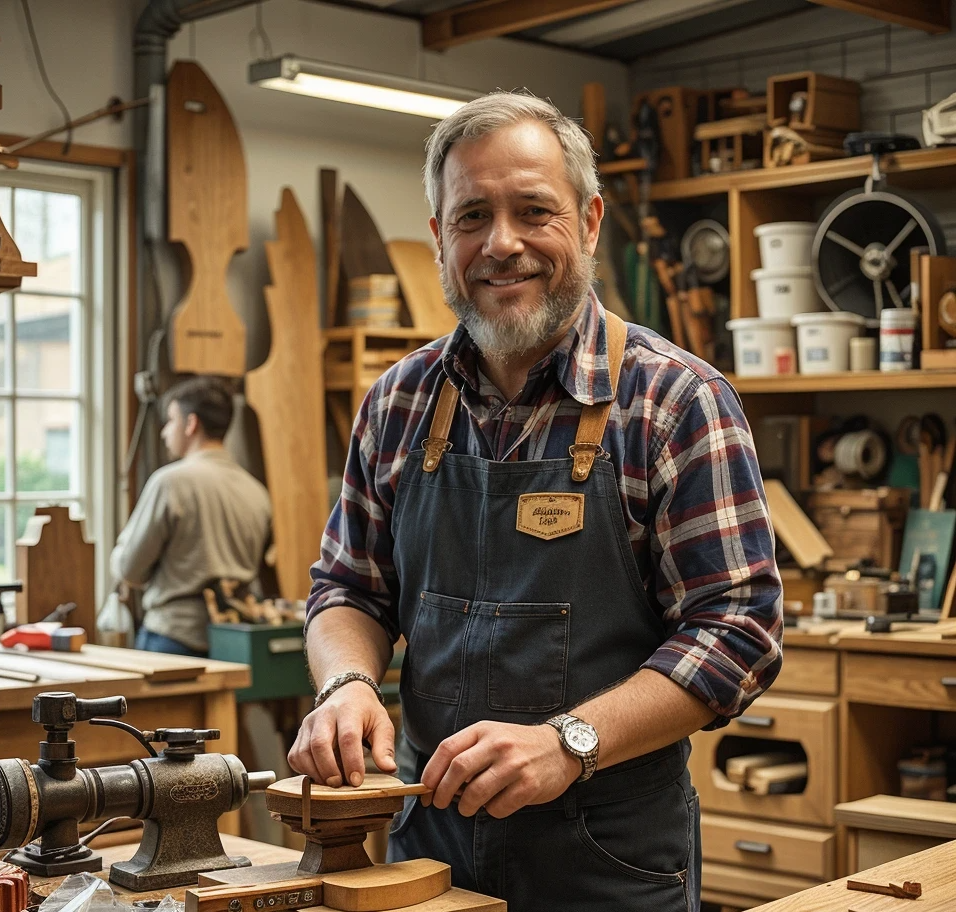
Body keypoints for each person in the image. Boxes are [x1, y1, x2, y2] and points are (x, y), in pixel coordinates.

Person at [292, 91, 783, 911]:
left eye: (533, 211)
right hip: (428, 847)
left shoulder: (673, 402)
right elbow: (349, 588)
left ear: (589, 222)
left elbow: (740, 631)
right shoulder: (398, 403)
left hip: (608, 860)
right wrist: (344, 686)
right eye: (472, 216)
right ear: (439, 238)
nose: (502, 244)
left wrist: (571, 741)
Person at [110, 375, 270, 657]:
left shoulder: (171, 483)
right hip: (232, 645)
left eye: (170, 420)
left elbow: (129, 569)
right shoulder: (257, 492)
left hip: (172, 638)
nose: (164, 432)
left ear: (191, 424)